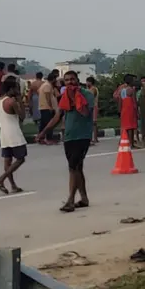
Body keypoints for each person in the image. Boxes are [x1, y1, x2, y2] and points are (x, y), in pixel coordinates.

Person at [37, 71, 95, 212]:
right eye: (67, 80)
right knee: (77, 167)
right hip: (69, 136)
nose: (70, 82)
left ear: (77, 80)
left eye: (72, 79)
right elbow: (58, 116)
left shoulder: (87, 95)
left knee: (73, 167)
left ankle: (70, 200)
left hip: (82, 136)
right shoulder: (64, 97)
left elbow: (86, 113)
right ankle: (84, 198)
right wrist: (43, 133)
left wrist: (75, 98)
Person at [0, 78, 27, 194]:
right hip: (14, 133)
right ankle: (0, 179)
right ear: (12, 89)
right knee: (20, 159)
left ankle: (13, 185)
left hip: (3, 133)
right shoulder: (11, 102)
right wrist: (20, 100)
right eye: (16, 88)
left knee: (7, 161)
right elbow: (22, 116)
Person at [115, 74, 140, 146]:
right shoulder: (132, 90)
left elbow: (120, 101)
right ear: (131, 81)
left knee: (125, 127)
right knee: (131, 127)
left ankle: (125, 142)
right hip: (130, 109)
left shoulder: (122, 91)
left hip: (124, 110)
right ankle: (131, 143)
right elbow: (134, 102)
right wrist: (137, 112)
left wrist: (119, 111)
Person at [37, 71, 59, 145]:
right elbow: (47, 97)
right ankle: (49, 138)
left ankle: (40, 138)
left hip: (43, 107)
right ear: (53, 79)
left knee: (43, 123)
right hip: (46, 107)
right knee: (49, 123)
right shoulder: (47, 85)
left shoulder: (44, 85)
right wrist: (50, 106)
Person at [86, 76, 101, 145]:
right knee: (92, 122)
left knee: (94, 122)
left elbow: (90, 97)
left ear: (90, 82)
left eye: (87, 82)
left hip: (93, 106)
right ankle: (94, 138)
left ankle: (94, 138)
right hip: (90, 106)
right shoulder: (89, 89)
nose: (86, 83)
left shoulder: (93, 89)